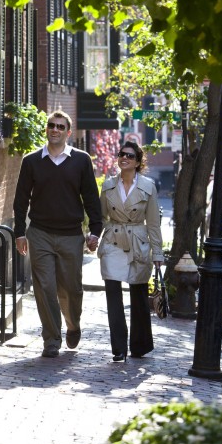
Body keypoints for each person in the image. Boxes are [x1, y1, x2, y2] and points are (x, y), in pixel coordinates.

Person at [13, 110, 102, 358]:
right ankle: (51, 339)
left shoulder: (81, 160)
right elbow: (20, 201)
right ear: (46, 129)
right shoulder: (31, 161)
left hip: (71, 235)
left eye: (60, 127)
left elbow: (91, 198)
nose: (55, 129)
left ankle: (73, 324)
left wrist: (95, 230)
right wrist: (20, 232)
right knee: (44, 287)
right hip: (39, 233)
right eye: (51, 125)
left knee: (71, 289)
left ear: (68, 132)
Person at [97, 141, 164, 362]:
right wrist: (99, 235)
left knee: (139, 296)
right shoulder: (108, 185)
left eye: (129, 155)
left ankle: (139, 346)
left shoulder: (148, 186)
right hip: (113, 241)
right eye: (121, 154)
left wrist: (158, 254)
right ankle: (119, 348)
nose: (124, 158)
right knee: (113, 294)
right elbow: (101, 217)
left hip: (138, 242)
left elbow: (153, 223)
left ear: (137, 162)